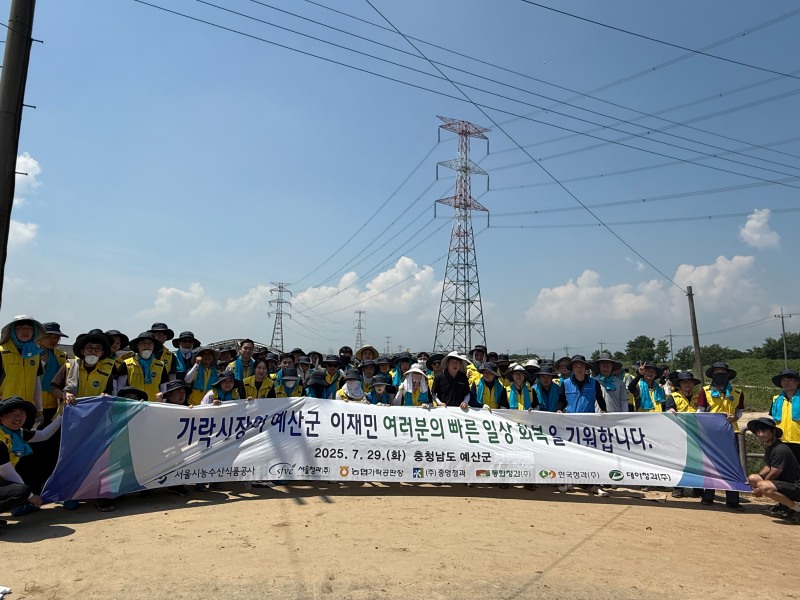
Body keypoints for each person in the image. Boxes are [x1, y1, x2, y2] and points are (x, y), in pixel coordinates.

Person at [0, 397, 64, 523]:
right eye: (12, 414)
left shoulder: (18, 433)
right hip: (3, 476)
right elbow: (7, 472)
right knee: (21, 491)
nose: (18, 418)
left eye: (21, 413)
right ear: (0, 417)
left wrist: (61, 416)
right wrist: (30, 496)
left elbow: (44, 435)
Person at [697, 361, 744, 510]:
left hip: (731, 433)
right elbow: (700, 411)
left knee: (732, 466)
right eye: (717, 373)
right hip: (710, 433)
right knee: (710, 465)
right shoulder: (705, 391)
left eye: (723, 373)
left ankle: (732, 499)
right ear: (712, 375)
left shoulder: (738, 392)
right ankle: (708, 496)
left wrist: (735, 418)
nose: (720, 375)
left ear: (728, 375)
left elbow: (739, 411)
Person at [745, 417, 800, 523]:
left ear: (773, 431)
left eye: (764, 431)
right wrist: (757, 478)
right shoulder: (771, 446)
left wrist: (759, 487)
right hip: (786, 483)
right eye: (758, 432)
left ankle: (796, 509)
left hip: (796, 486)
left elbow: (775, 473)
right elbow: (768, 466)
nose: (761, 434)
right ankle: (785, 505)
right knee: (753, 478)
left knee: (764, 486)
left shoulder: (780, 449)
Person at [0, 315, 45, 428]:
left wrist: (39, 409)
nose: (25, 331)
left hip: (25, 411)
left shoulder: (35, 354)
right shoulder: (2, 352)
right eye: (20, 328)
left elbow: (36, 381)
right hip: (4, 410)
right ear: (12, 331)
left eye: (29, 328)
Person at [665, 371, 701, 499]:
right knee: (679, 462)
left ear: (693, 384)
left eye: (689, 382)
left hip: (697, 435)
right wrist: (670, 410)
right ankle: (678, 488)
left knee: (697, 462)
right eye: (684, 382)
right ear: (679, 384)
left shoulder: (700, 397)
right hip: (679, 434)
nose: (687, 384)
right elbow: (667, 410)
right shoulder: (673, 397)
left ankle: (698, 488)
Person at [122, 332, 169, 402]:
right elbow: (121, 386)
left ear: (154, 346)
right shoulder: (126, 364)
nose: (147, 346)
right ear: (138, 345)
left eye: (150, 343)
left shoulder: (161, 365)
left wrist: (162, 401)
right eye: (143, 343)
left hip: (153, 404)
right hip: (133, 404)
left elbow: (163, 388)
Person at [38, 322, 69, 426]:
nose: (53, 340)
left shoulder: (62, 356)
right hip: (33, 403)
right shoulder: (30, 353)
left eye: (56, 337)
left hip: (54, 404)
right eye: (49, 336)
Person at [769, 369, 800, 464]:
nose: (786, 382)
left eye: (790, 379)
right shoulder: (776, 399)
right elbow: (773, 420)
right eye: (783, 380)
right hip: (781, 441)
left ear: (798, 382)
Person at [105, 329, 130, 394]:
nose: (115, 345)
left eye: (118, 343)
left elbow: (121, 385)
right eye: (112, 342)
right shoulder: (97, 358)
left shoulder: (121, 363)